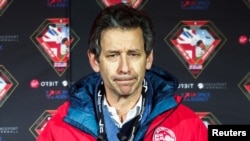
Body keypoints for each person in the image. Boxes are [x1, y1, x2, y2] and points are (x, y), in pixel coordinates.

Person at [36, 3, 208, 141]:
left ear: (148, 59)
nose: (124, 68)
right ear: (95, 61)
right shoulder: (60, 127)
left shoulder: (188, 125)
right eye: (113, 55)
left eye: (133, 54)